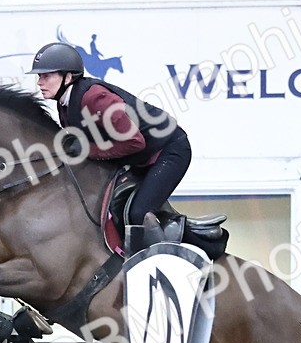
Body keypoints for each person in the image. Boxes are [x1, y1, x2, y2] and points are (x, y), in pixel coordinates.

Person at [28, 42, 192, 237]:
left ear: (68, 77)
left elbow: (134, 142)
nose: (39, 82)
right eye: (39, 76)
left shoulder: (94, 97)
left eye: (46, 76)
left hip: (169, 150)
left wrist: (88, 150)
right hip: (140, 156)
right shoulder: (65, 105)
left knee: (139, 213)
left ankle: (165, 257)